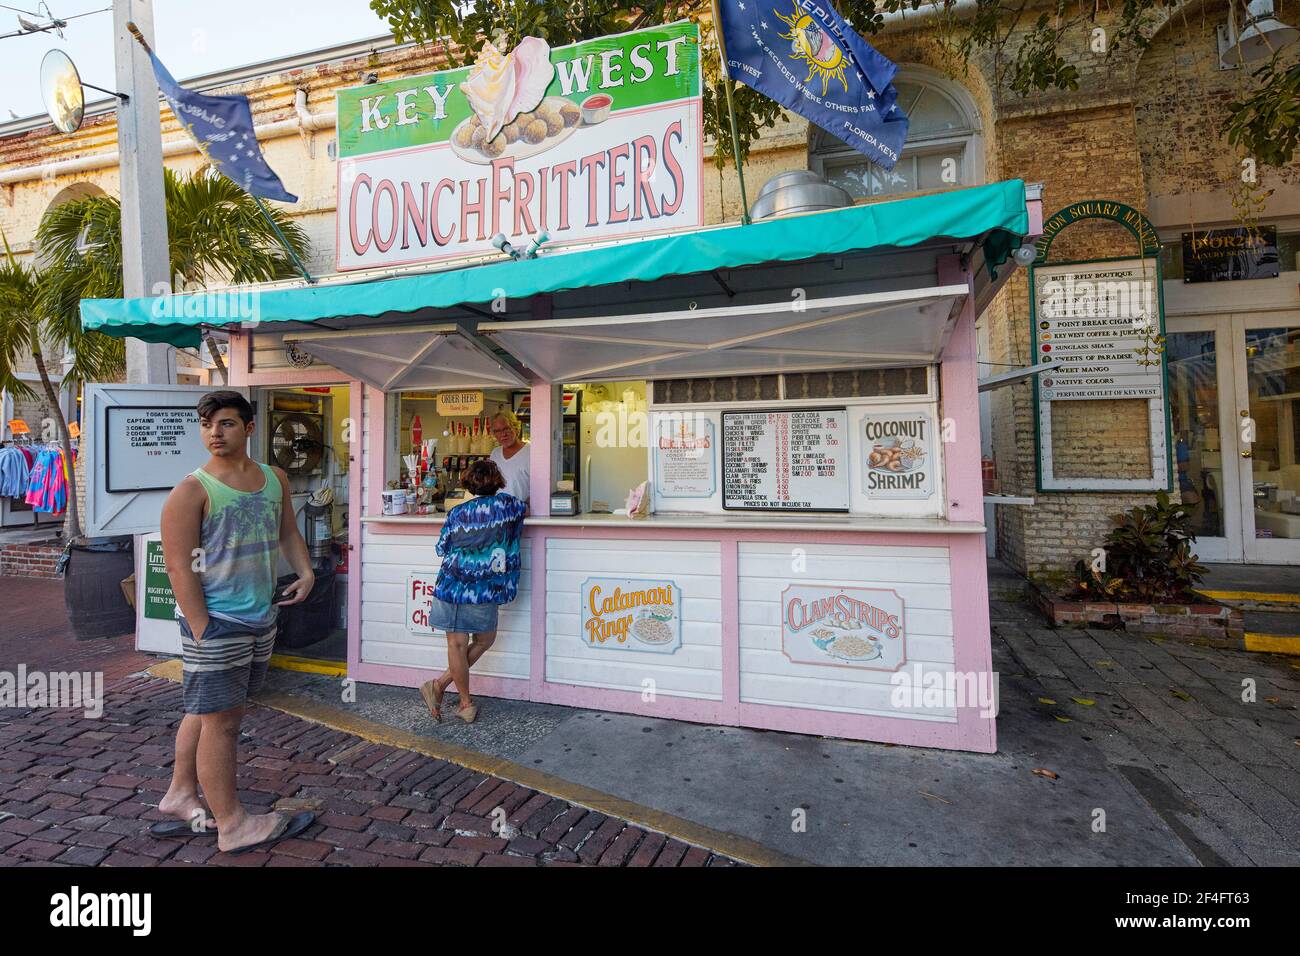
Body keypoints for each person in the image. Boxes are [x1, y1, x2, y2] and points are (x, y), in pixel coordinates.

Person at [155, 390, 317, 855]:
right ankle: (231, 824)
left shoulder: (273, 477)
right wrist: (203, 627)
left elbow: (286, 529)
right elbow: (178, 567)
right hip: (218, 622)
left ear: (249, 428)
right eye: (206, 425)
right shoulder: (191, 491)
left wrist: (304, 571)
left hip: (260, 615)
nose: (214, 433)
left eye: (225, 423)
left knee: (208, 711)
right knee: (223, 723)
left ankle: (180, 793)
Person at [419, 458, 526, 723]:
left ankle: (439, 686)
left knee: (459, 644)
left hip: (453, 587)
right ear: (497, 480)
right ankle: (464, 702)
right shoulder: (511, 507)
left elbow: (440, 548)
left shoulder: (457, 513)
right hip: (485, 588)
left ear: (469, 482)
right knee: (483, 640)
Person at [488, 409, 530, 505]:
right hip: (499, 514)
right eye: (497, 431)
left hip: (524, 515)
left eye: (506, 429)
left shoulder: (531, 453)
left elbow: (541, 487)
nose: (503, 434)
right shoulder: (495, 454)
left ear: (516, 428)